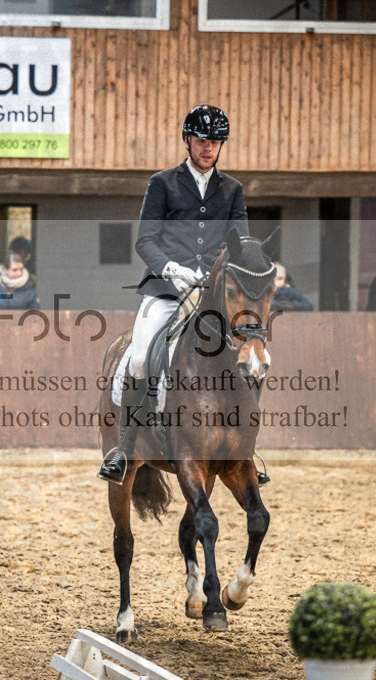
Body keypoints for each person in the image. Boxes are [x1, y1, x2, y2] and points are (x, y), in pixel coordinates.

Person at [98, 104, 249, 484]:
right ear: (187, 140)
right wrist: (171, 268)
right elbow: (145, 240)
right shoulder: (162, 183)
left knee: (246, 359)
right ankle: (126, 446)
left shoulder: (232, 190)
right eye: (202, 140)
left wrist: (223, 271)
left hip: (212, 297)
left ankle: (245, 447)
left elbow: (241, 244)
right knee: (138, 357)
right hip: (167, 290)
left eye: (215, 141)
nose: (209, 148)